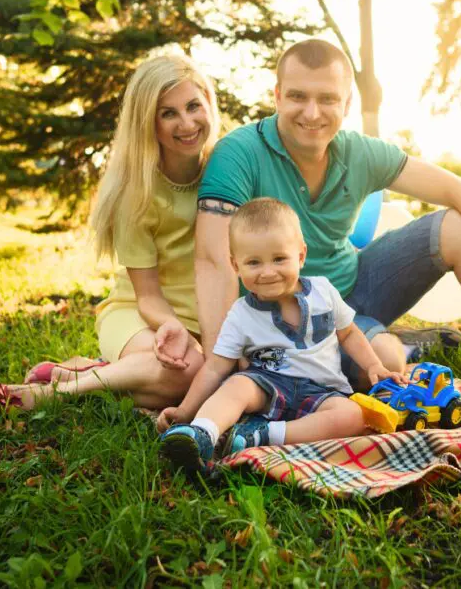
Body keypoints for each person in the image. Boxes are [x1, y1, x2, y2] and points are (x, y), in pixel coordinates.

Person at [182, 38, 461, 397]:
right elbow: (212, 261)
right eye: (298, 96)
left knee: (455, 223)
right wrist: (226, 361)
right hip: (287, 317)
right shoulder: (238, 154)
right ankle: (406, 344)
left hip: (360, 286)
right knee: (377, 372)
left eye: (328, 99)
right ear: (277, 95)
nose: (312, 112)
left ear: (346, 104)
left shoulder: (360, 152)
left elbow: (460, 192)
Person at [0, 53, 218, 412]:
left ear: (210, 105)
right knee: (192, 374)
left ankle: (91, 374)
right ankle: (54, 395)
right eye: (168, 113)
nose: (186, 123)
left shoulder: (226, 170)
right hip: (142, 317)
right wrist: (173, 326)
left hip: (204, 323)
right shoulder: (136, 194)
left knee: (213, 379)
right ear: (147, 122)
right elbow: (147, 296)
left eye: (193, 106)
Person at [155, 198, 404, 475]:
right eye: (253, 263)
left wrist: (373, 365)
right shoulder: (241, 313)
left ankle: (261, 436)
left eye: (279, 259)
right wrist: (185, 409)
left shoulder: (323, 291)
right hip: (266, 384)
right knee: (236, 386)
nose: (268, 272)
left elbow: (349, 334)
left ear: (300, 256)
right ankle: (201, 433)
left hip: (321, 391)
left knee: (353, 416)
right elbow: (215, 367)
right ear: (235, 265)